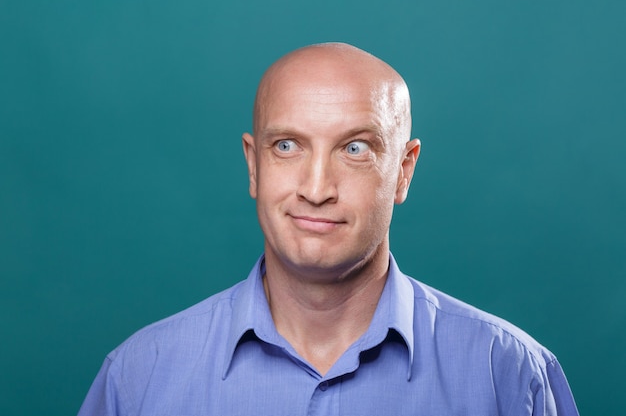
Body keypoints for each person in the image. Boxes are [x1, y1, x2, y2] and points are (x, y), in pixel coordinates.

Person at [78, 42, 579, 415]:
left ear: (404, 171)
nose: (316, 189)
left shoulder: (509, 376)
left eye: (355, 148)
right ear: (254, 165)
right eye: (288, 146)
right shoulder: (138, 379)